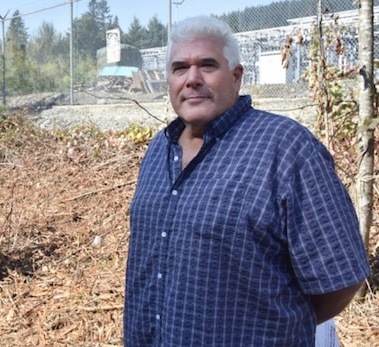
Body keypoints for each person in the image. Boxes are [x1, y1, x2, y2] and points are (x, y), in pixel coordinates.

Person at [124, 15, 370, 346]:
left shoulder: (286, 149)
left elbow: (341, 278)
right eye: (180, 68)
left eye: (207, 66)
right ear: (168, 80)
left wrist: (274, 327)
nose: (192, 79)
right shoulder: (159, 149)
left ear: (237, 76)